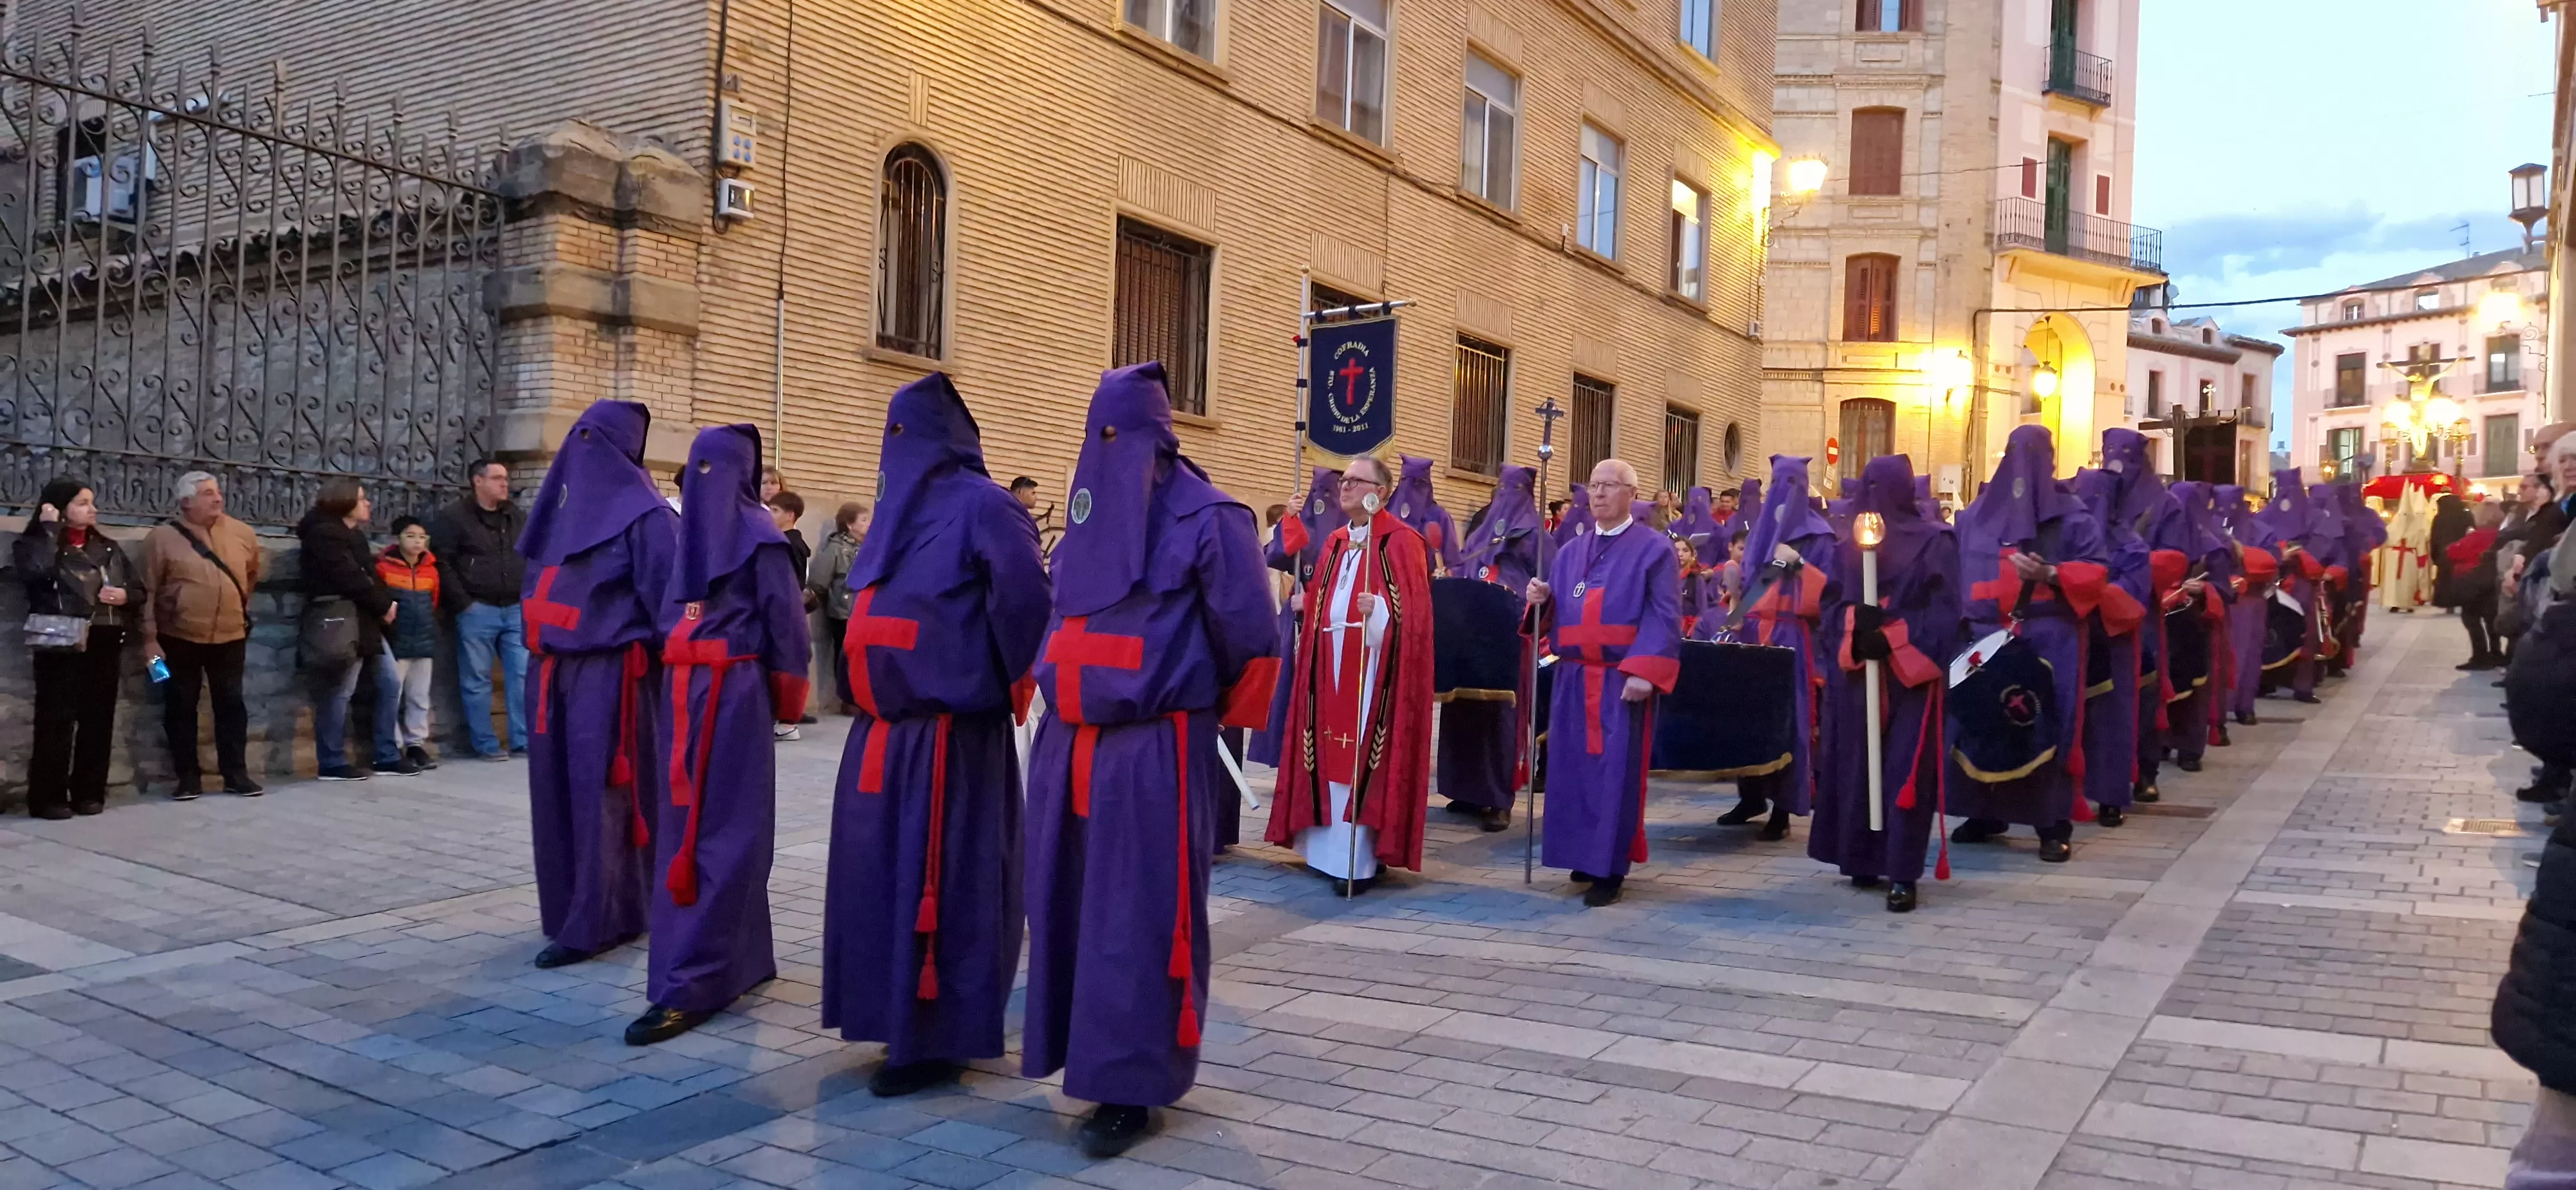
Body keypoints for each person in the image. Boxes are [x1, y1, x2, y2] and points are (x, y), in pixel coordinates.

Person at [1020, 363, 1278, 1157]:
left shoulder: (1212, 517)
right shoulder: (1087, 516)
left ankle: (1133, 1082)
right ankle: (1078, 1054)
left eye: (1117, 435)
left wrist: (1186, 711)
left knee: (1134, 916)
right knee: (1066, 908)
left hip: (1151, 747)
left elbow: (1252, 642)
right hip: (1066, 744)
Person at [821, 373, 1051, 1097]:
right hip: (881, 734)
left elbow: (1026, 606)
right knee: (878, 882)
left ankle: (940, 1034)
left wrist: (990, 680)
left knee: (950, 883)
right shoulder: (892, 508)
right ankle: (889, 1015)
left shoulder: (987, 507)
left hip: (952, 737)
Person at [632, 424, 811, 1046]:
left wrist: (787, 697)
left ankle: (694, 979)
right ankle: (743, 957)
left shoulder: (762, 538)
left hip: (732, 695)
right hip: (682, 695)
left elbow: (787, 625)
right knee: (686, 826)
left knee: (721, 829)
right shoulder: (689, 539)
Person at [519, 401, 680, 972]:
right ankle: (569, 909)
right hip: (549, 673)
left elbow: (671, 604)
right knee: (557, 800)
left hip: (612, 678)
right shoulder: (557, 510)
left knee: (602, 800)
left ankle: (602, 918)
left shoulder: (649, 517)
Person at [1266, 455, 1435, 891]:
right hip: (1330, 664)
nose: (1346, 487)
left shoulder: (1401, 542)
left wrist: (1378, 611)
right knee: (1324, 752)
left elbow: (1414, 621)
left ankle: (1357, 862)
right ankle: (1324, 853)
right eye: (1344, 480)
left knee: (1362, 758)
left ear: (1383, 491)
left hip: (1374, 671)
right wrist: (1310, 606)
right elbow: (1325, 594)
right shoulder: (1337, 541)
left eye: (1358, 481)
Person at [1948, 426, 2116, 864]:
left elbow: (2097, 572)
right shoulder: (1976, 516)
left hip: (2048, 635)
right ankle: (1984, 813)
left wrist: (2053, 576)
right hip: (1983, 635)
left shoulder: (2074, 517)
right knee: (1980, 721)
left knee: (2045, 725)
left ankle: (2051, 823)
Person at [1525, 458, 1681, 907]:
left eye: (1610, 486)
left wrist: (1644, 671)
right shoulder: (1571, 550)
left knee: (1613, 775)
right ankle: (1580, 854)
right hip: (1574, 677)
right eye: (1593, 485)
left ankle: (1609, 868)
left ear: (1632, 494)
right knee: (1570, 772)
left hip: (1620, 679)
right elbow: (1558, 609)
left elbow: (1664, 614)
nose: (1598, 494)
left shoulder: (1654, 549)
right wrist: (1542, 600)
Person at [1809, 456, 1959, 912]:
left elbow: (1946, 612)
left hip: (1910, 678)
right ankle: (1862, 855)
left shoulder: (1937, 543)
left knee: (1901, 770)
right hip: (1859, 676)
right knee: (1858, 764)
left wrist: (1892, 635)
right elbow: (1831, 607)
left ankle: (1902, 871)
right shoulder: (1844, 549)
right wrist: (1856, 627)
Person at [1716, 458, 1837, 839]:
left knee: (1790, 724)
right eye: (1777, 483)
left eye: (1792, 483)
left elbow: (1832, 593)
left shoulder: (1820, 537)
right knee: (1749, 719)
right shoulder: (1762, 531)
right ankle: (1751, 796)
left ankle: (1784, 809)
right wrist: (1735, 617)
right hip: (1756, 634)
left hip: (1795, 640)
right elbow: (1755, 579)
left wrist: (1799, 563)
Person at [16, 479, 141, 818]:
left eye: (92, 502)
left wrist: (125, 596)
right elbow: (37, 574)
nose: (92, 509)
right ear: (58, 507)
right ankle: (48, 797)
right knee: (55, 721)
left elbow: (138, 589)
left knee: (98, 719)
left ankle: (89, 793)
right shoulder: (36, 543)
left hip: (104, 636)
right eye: (83, 503)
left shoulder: (109, 547)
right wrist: (48, 530)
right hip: (61, 640)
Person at [1440, 464, 1549, 831]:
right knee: (1466, 710)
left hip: (1511, 633)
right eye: (1502, 488)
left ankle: (1500, 798)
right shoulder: (1481, 532)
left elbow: (1548, 581)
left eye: (1514, 490)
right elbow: (1464, 566)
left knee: (1503, 715)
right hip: (1471, 632)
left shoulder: (1535, 534)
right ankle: (1468, 790)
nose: (1506, 496)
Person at [142, 473, 263, 798]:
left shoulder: (242, 533)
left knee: (231, 704)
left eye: (218, 492)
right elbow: (148, 591)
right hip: (176, 638)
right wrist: (150, 641)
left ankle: (236, 774)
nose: (218, 499)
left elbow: (251, 576)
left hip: (230, 636)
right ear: (186, 502)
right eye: (208, 494)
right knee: (179, 705)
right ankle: (187, 777)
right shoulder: (161, 539)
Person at [296, 479, 404, 781]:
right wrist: (384, 605)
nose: (368, 503)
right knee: (340, 690)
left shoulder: (352, 535)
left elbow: (368, 574)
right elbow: (349, 577)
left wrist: (385, 603)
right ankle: (331, 761)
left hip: (366, 619)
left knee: (390, 682)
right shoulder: (325, 536)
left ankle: (387, 755)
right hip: (343, 620)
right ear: (343, 503)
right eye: (361, 498)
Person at [433, 459, 529, 760]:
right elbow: (443, 563)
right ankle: (485, 744)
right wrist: (464, 604)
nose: (505, 484)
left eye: (506, 478)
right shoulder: (454, 517)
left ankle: (522, 740)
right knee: (476, 679)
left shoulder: (514, 515)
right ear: (478, 481)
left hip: (515, 607)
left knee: (522, 675)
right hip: (477, 609)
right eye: (498, 478)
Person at [1252, 466, 1338, 768]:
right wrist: (1289, 519)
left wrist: (1314, 600)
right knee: (1289, 691)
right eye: (1318, 492)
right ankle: (1289, 755)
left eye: (1330, 492)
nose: (1322, 501)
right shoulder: (1304, 524)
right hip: (1298, 623)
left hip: (1333, 626)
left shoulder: (1353, 533)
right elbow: (1273, 556)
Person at [2148, 482, 2233, 782]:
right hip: (2163, 623)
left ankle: (2189, 748)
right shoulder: (2157, 540)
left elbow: (2226, 589)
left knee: (2194, 690)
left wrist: (2204, 589)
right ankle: (2160, 742)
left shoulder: (2213, 547)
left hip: (2194, 626)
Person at [2255, 473, 2332, 704]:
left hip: (2302, 582)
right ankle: (2266, 680)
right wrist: (2278, 554)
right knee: (2269, 634)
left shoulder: (2316, 517)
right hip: (2272, 582)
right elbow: (2258, 546)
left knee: (2304, 634)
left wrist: (2300, 557)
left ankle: (2302, 686)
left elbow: (2324, 547)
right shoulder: (2264, 516)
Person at [376, 518, 443, 771]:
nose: (417, 542)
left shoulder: (431, 570)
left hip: (424, 640)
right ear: (397, 539)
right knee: (393, 695)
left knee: (419, 695)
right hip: (397, 640)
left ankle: (416, 744)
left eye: (422, 537)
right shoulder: (384, 568)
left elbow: (434, 601)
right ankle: (393, 745)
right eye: (411, 536)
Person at [2215, 484, 2276, 728]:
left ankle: (2243, 705)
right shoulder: (2206, 526)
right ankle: (2218, 708)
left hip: (2249, 600)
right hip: (2216, 598)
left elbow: (2272, 560)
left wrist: (2242, 555)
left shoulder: (2259, 529)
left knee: (2248, 653)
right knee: (2218, 655)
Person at [813, 502, 867, 713]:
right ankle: (848, 700)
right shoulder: (837, 548)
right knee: (845, 656)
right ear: (850, 524)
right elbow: (819, 579)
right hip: (843, 612)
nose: (867, 524)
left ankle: (862, 698)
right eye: (863, 520)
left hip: (863, 611)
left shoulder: (868, 546)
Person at [2452, 502, 2506, 669]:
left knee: (2471, 619)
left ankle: (2480, 656)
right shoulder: (2502, 535)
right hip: (2494, 582)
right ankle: (2496, 653)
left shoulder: (2476, 536)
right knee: (2491, 620)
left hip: (2473, 582)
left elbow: (2453, 552)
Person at [1387, 454, 1459, 576]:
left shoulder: (1440, 517)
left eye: (1418, 483)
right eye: (1405, 481)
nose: (1411, 488)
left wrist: (1445, 573)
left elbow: (1453, 562)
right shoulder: (1388, 512)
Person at [2429, 491, 2475, 609]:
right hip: (2463, 550)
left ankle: (2447, 602)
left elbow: (2434, 537)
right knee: (2461, 576)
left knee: (2446, 578)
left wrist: (2434, 555)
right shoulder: (2467, 515)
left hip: (2444, 552)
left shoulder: (2439, 518)